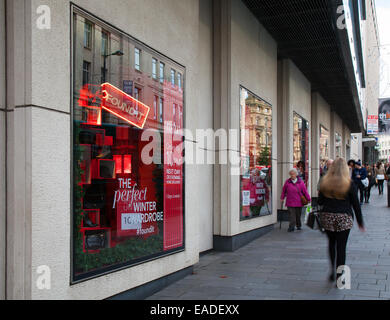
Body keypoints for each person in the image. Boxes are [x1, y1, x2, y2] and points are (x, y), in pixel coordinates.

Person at [318, 158, 365, 284]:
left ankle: (332, 271)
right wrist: (360, 222)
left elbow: (320, 202)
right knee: (341, 247)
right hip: (344, 217)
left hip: (328, 217)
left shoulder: (324, 182)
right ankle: (340, 275)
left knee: (331, 243)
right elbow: (356, 205)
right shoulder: (349, 184)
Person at [281, 168, 311, 232]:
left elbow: (305, 191)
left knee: (298, 215)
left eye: (293, 174)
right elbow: (284, 191)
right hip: (290, 201)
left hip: (298, 202)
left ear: (296, 174)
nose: (292, 175)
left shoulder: (301, 182)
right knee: (292, 215)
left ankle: (298, 225)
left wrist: (308, 199)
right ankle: (291, 227)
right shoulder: (287, 182)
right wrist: (282, 198)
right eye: (291, 174)